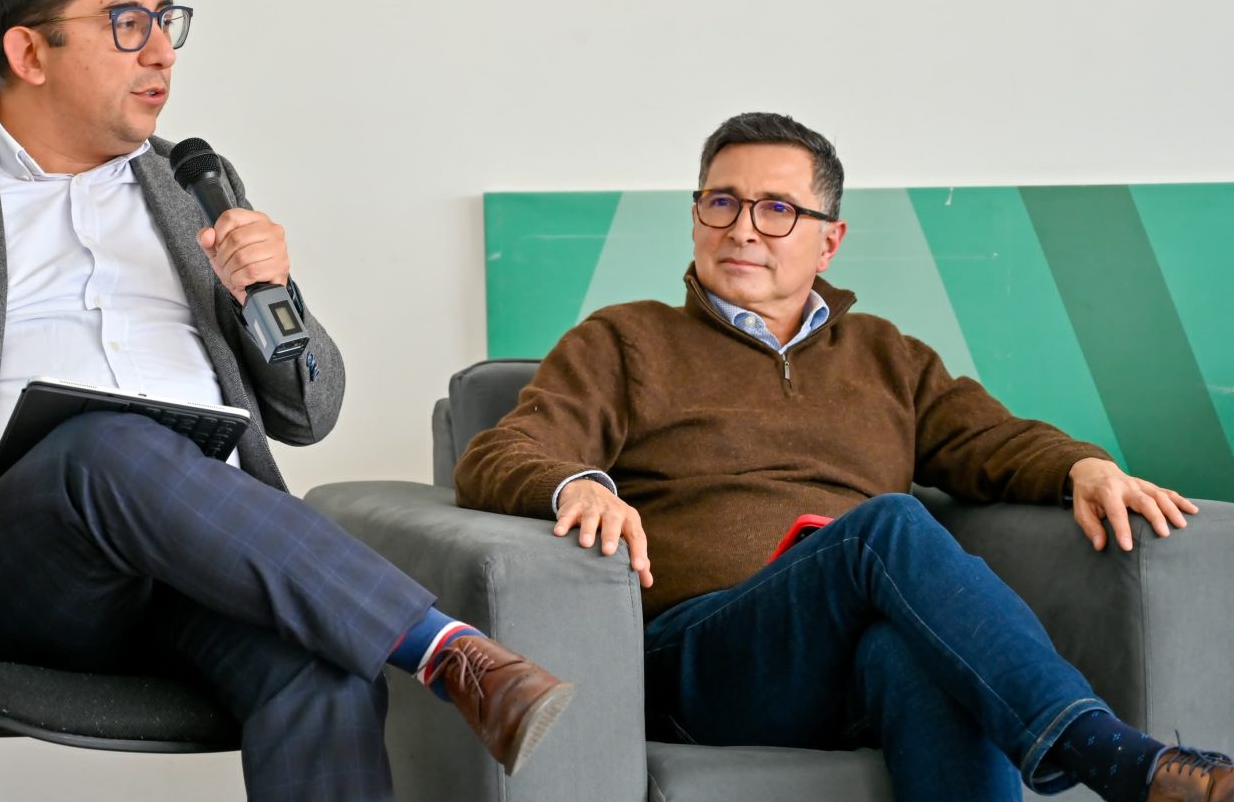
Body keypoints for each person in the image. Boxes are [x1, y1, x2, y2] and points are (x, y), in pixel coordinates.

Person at [0, 0, 573, 801]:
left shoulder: (194, 191)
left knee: (323, 670)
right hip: (3, 569)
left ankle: (425, 649)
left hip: (199, 565)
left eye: (165, 21)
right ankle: (444, 649)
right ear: (29, 52)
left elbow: (309, 414)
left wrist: (271, 293)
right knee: (104, 444)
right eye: (127, 24)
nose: (161, 53)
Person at [455, 112, 1232, 802]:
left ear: (830, 239)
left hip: (840, 662)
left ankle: (1105, 756)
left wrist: (1083, 467)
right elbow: (502, 452)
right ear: (695, 219)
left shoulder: (887, 355)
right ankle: (1109, 755)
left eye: (777, 209)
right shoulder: (624, 340)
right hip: (698, 658)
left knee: (916, 659)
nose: (743, 228)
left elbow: (990, 439)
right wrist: (577, 485)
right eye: (721, 202)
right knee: (883, 527)